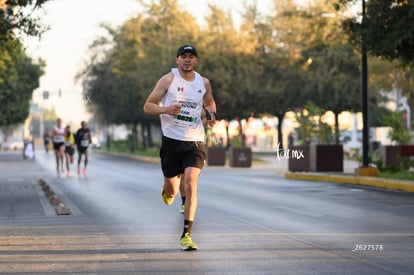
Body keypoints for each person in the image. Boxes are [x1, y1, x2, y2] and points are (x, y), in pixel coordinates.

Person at [143, 44, 217, 251]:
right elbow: (148, 106)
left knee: (191, 182)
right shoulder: (168, 80)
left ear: (196, 60)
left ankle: (186, 235)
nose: (187, 60)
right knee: (173, 190)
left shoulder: (204, 83)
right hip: (171, 141)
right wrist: (166, 109)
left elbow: (210, 103)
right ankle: (168, 191)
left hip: (195, 141)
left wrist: (210, 115)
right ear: (177, 60)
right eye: (183, 56)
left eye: (191, 57)